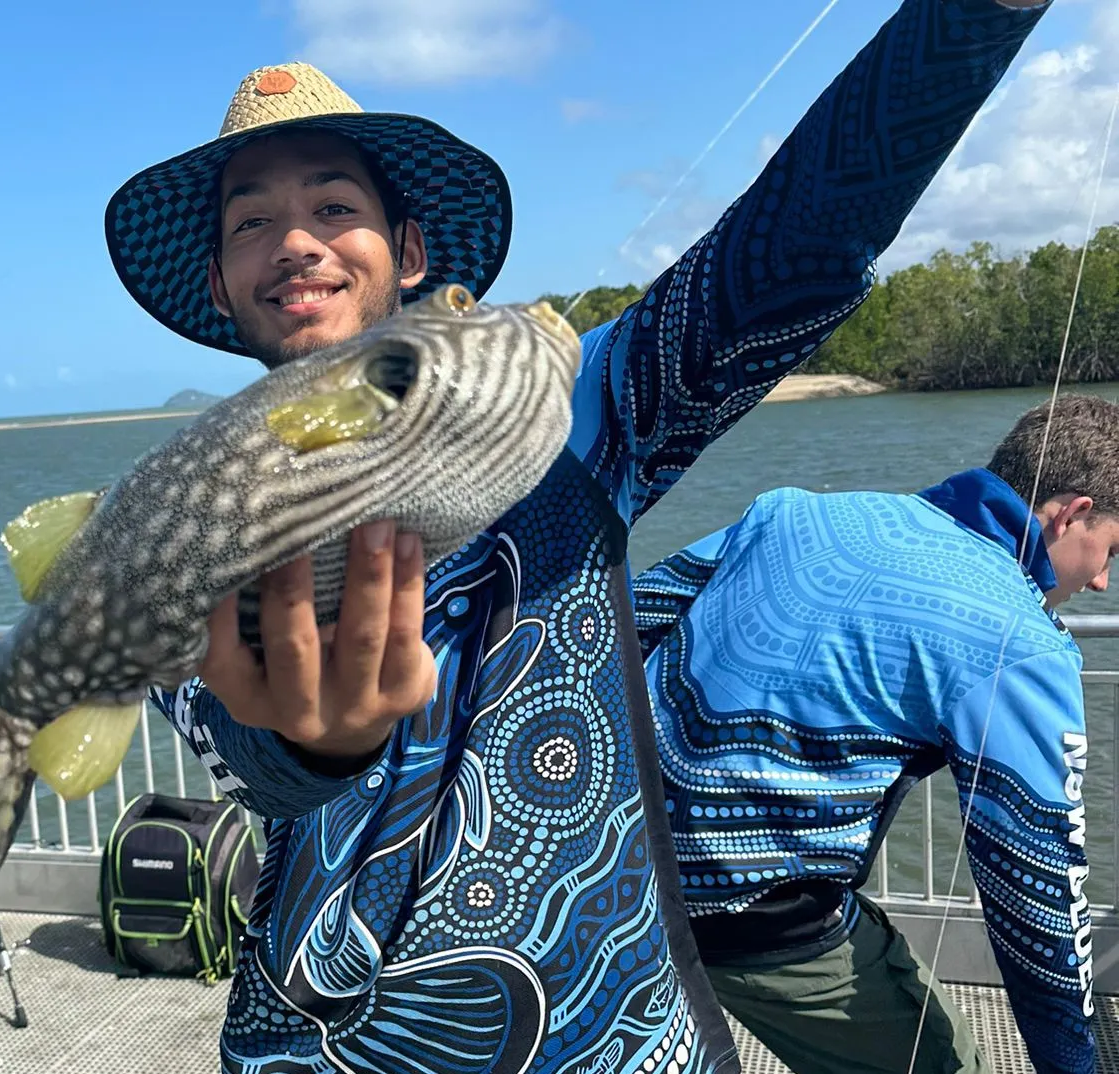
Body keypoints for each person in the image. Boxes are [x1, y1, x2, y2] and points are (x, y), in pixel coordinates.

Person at [101, 1, 1053, 1070]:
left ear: (408, 250)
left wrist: (977, 16)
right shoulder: (179, 513)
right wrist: (311, 739)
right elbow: (249, 757)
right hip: (316, 1044)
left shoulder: (564, 417)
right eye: (250, 224)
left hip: (611, 1042)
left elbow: (794, 248)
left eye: (334, 203)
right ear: (225, 284)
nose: (296, 243)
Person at [630, 393, 1118, 1074]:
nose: (1099, 582)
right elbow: (1036, 894)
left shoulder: (790, 510)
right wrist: (1078, 1063)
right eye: (1110, 553)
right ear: (1072, 514)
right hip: (757, 916)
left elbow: (619, 622)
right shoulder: (1023, 643)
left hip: (608, 865)